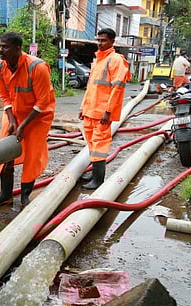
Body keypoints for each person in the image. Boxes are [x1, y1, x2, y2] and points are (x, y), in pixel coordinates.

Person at [0, 32, 55, 208]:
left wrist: (23, 126)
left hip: (39, 116)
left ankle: (25, 197)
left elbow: (43, 102)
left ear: (18, 49)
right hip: (15, 113)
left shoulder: (37, 67)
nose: (1, 50)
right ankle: (5, 195)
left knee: (32, 155)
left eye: (5, 47)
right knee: (5, 152)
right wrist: (12, 121)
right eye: (0, 46)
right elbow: (4, 97)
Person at [78, 28, 131, 190]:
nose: (100, 43)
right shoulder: (99, 60)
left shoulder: (116, 60)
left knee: (100, 145)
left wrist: (108, 111)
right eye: (98, 40)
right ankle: (94, 174)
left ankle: (98, 179)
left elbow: (117, 89)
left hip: (102, 112)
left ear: (112, 42)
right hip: (90, 111)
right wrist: (83, 107)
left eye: (104, 41)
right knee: (92, 144)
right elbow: (91, 88)